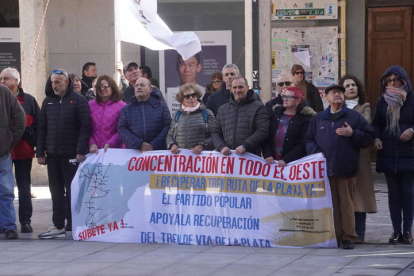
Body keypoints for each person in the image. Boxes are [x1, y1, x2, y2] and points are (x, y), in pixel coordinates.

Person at [306, 84, 374, 249]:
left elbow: (368, 138)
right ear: (326, 97)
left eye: (340, 93)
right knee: (332, 204)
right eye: (333, 93)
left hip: (346, 167)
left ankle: (348, 236)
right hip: (325, 169)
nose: (337, 95)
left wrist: (353, 134)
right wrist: (317, 152)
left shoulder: (353, 117)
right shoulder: (319, 118)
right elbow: (308, 139)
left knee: (346, 203)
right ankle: (335, 235)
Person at [36, 69, 91, 238]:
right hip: (52, 154)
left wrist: (81, 150)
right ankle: (58, 224)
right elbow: (42, 128)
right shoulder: (47, 102)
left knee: (73, 190)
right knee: (56, 191)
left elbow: (85, 127)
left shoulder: (79, 100)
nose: (54, 85)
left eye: (58, 82)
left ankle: (73, 223)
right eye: (52, 82)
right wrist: (40, 152)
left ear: (66, 82)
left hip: (71, 155)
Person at [372, 65, 414, 245]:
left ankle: (407, 231)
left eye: (395, 79)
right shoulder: (382, 101)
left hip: (409, 153)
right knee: (393, 194)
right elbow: (376, 124)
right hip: (389, 153)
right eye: (388, 80)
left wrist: (412, 130)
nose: (392, 83)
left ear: (403, 80)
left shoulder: (411, 99)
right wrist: (376, 138)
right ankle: (396, 230)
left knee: (409, 193)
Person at [0, 68, 39, 233]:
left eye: (6, 79)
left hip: (19, 150)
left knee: (20, 187)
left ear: (16, 81)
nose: (2, 81)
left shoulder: (28, 100)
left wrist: (11, 141)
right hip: (7, 150)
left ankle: (23, 221)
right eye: (1, 78)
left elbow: (31, 122)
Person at [339, 74, 377, 244]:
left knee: (360, 196)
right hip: (342, 154)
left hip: (360, 156)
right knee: (344, 195)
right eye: (347, 86)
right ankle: (346, 232)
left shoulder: (365, 106)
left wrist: (349, 128)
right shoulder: (337, 107)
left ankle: (359, 234)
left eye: (353, 84)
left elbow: (365, 123)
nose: (351, 88)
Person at [212, 76, 269, 156]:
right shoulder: (222, 110)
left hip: (250, 159)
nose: (237, 90)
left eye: (241, 87)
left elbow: (263, 130)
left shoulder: (258, 107)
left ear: (247, 87)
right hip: (228, 159)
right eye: (234, 87)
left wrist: (246, 145)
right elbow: (215, 132)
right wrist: (221, 147)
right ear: (231, 89)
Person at [263, 86, 316, 167]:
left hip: (293, 165)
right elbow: (266, 136)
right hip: (272, 163)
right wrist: (267, 154)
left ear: (298, 101)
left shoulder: (305, 119)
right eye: (284, 96)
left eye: (289, 97)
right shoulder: (275, 114)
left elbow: (303, 143)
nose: (285, 99)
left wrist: (286, 159)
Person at [0, 85, 26, 239]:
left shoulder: (4, 92)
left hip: (2, 153)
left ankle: (9, 226)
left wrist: (10, 142)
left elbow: (20, 117)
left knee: (6, 191)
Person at [118, 78, 171, 151]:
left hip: (157, 152)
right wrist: (139, 144)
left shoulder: (161, 107)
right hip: (134, 153)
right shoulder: (127, 109)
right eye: (136, 86)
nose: (139, 87)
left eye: (142, 85)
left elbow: (167, 126)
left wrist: (153, 145)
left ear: (150, 89)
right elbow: (122, 129)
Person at [166, 83, 215, 154]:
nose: (191, 98)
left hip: (202, 158)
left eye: (193, 95)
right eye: (187, 96)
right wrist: (172, 145)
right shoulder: (177, 115)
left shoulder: (207, 113)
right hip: (182, 158)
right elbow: (170, 135)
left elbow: (215, 135)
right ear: (181, 100)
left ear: (197, 96)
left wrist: (202, 146)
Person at [89, 75, 126, 153]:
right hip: (94, 153)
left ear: (112, 87)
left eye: (105, 86)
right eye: (99, 86)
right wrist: (91, 143)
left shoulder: (122, 106)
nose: (102, 88)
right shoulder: (90, 105)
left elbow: (123, 130)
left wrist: (110, 144)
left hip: (114, 151)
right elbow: (85, 128)